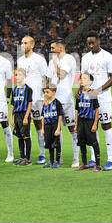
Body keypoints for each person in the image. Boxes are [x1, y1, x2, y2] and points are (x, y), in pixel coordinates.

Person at [80, 31, 112, 171]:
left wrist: (99, 89)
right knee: (90, 127)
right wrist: (81, 89)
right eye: (88, 43)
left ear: (98, 41)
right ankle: (93, 158)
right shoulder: (85, 58)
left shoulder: (107, 56)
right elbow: (84, 77)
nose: (90, 45)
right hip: (89, 97)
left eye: (93, 43)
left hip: (103, 97)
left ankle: (110, 159)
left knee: (106, 126)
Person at [46, 39, 79, 167]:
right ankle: (57, 159)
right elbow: (48, 79)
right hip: (53, 100)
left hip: (65, 99)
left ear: (60, 48)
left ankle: (76, 158)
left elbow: (61, 75)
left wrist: (55, 63)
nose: (51, 50)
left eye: (53, 48)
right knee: (55, 130)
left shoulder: (69, 59)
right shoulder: (51, 61)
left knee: (72, 128)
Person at [17, 36, 48, 165]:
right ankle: (25, 156)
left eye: (25, 43)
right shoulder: (19, 60)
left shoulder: (39, 59)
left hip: (37, 97)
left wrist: (46, 96)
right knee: (23, 126)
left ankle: (42, 154)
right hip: (23, 98)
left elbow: (46, 78)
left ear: (32, 44)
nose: (23, 45)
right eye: (22, 43)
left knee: (38, 124)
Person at [74, 73, 101, 172]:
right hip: (81, 121)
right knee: (81, 142)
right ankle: (84, 164)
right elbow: (77, 110)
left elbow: (97, 109)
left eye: (85, 79)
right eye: (81, 79)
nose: (82, 80)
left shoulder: (92, 93)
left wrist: (95, 124)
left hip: (89, 121)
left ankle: (98, 165)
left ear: (90, 82)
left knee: (93, 142)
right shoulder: (78, 94)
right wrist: (76, 124)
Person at [10, 68, 33, 167]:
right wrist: (11, 117)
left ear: (24, 76)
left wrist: (26, 117)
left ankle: (27, 159)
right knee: (19, 136)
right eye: (16, 75)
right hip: (17, 115)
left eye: (19, 75)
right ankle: (22, 157)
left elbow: (29, 104)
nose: (17, 77)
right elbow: (12, 104)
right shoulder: (14, 89)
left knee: (26, 136)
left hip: (24, 114)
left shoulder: (28, 89)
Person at [41, 86, 64, 169]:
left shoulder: (57, 103)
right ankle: (51, 161)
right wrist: (42, 129)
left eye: (47, 92)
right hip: (47, 126)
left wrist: (58, 128)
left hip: (54, 125)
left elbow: (60, 116)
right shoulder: (44, 104)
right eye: (44, 92)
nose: (45, 94)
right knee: (49, 143)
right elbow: (43, 116)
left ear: (54, 92)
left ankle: (57, 161)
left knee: (56, 144)